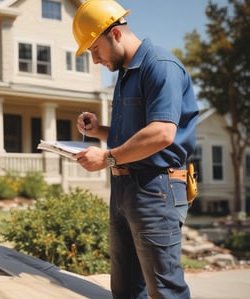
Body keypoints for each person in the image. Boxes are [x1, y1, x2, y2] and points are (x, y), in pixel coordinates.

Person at [72, 1, 199, 298]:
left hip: (156, 189)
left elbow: (161, 133)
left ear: (115, 34)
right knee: (126, 290)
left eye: (94, 50)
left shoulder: (160, 67)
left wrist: (107, 156)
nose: (95, 60)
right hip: (125, 189)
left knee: (165, 291)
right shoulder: (125, 74)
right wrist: (99, 131)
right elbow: (133, 135)